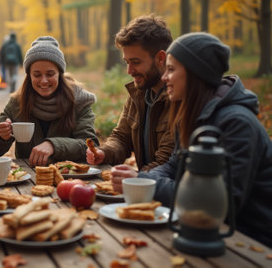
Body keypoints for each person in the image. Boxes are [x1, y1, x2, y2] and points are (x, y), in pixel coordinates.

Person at [112, 32, 272, 247]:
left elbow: (219, 204)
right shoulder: (191, 114)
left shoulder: (236, 123)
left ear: (196, 73)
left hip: (248, 242)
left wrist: (147, 184)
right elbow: (173, 165)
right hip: (198, 230)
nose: (164, 77)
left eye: (171, 69)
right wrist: (141, 179)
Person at [0, 36, 99, 167]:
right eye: (37, 75)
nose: (44, 81)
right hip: (27, 178)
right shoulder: (17, 103)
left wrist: (53, 145)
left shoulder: (79, 102)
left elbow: (90, 144)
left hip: (71, 176)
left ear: (59, 74)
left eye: (50, 74)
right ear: (29, 76)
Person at [86, 14, 175, 172]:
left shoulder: (178, 99)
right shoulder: (138, 94)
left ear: (161, 58)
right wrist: (104, 152)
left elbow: (166, 164)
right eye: (127, 62)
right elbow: (121, 137)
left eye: (136, 62)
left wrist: (134, 179)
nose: (129, 71)